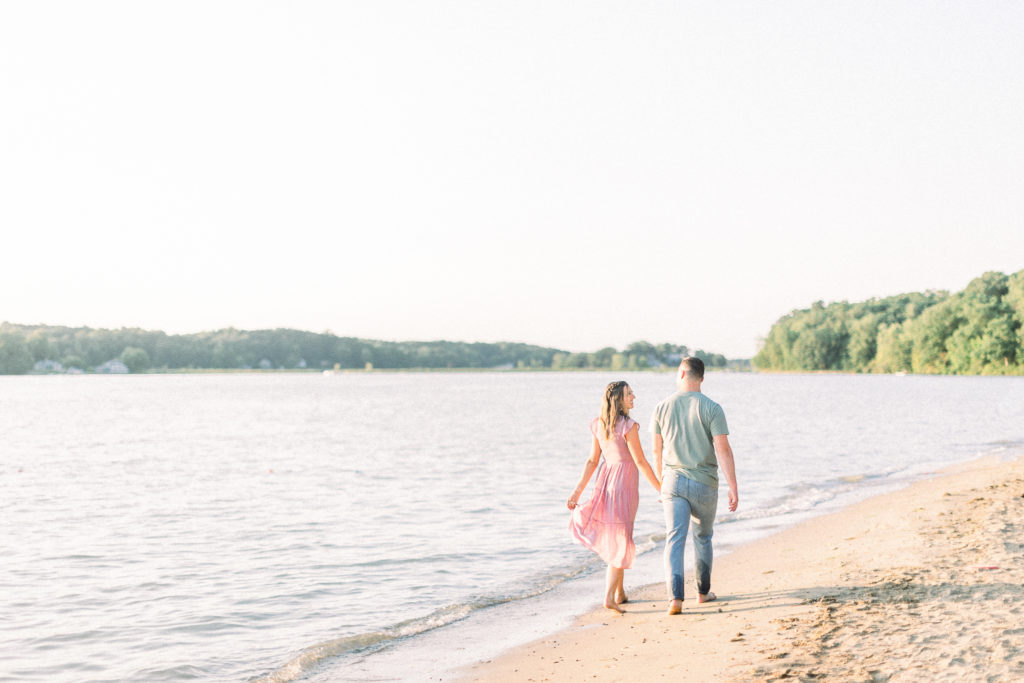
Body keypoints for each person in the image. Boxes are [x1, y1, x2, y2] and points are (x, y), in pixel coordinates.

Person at [650, 356, 738, 615]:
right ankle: (702, 592)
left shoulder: (661, 407)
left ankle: (675, 599)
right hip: (704, 484)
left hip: (673, 482)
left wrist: (660, 485)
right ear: (701, 378)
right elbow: (723, 449)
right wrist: (733, 485)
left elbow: (656, 452)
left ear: (681, 374)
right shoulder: (712, 408)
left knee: (674, 539)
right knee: (703, 537)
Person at [567, 381, 661, 613]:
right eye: (629, 394)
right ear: (619, 399)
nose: (634, 397)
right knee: (621, 539)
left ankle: (620, 593)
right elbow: (640, 461)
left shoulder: (600, 425)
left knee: (620, 534)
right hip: (623, 486)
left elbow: (592, 461)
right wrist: (661, 488)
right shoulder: (628, 426)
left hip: (606, 484)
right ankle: (609, 597)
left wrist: (577, 491)